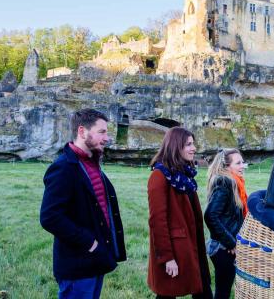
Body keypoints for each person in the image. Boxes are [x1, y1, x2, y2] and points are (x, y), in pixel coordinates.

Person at [40, 109, 126, 299]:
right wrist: (90, 242)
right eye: (102, 132)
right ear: (82, 132)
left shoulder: (92, 163)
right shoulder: (63, 168)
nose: (107, 138)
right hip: (77, 266)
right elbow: (49, 217)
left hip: (96, 261)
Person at [147, 127, 212, 299]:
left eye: (193, 144)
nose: (194, 148)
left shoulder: (184, 175)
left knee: (203, 288)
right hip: (175, 249)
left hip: (193, 243)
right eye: (188, 144)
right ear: (176, 146)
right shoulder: (160, 176)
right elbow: (157, 221)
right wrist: (167, 258)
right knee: (167, 294)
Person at [204, 149, 248, 299]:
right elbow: (210, 215)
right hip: (223, 248)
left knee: (224, 291)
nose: (243, 166)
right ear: (226, 167)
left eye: (243, 162)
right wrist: (230, 243)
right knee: (223, 293)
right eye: (238, 163)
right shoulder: (225, 183)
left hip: (226, 246)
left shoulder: (235, 184)